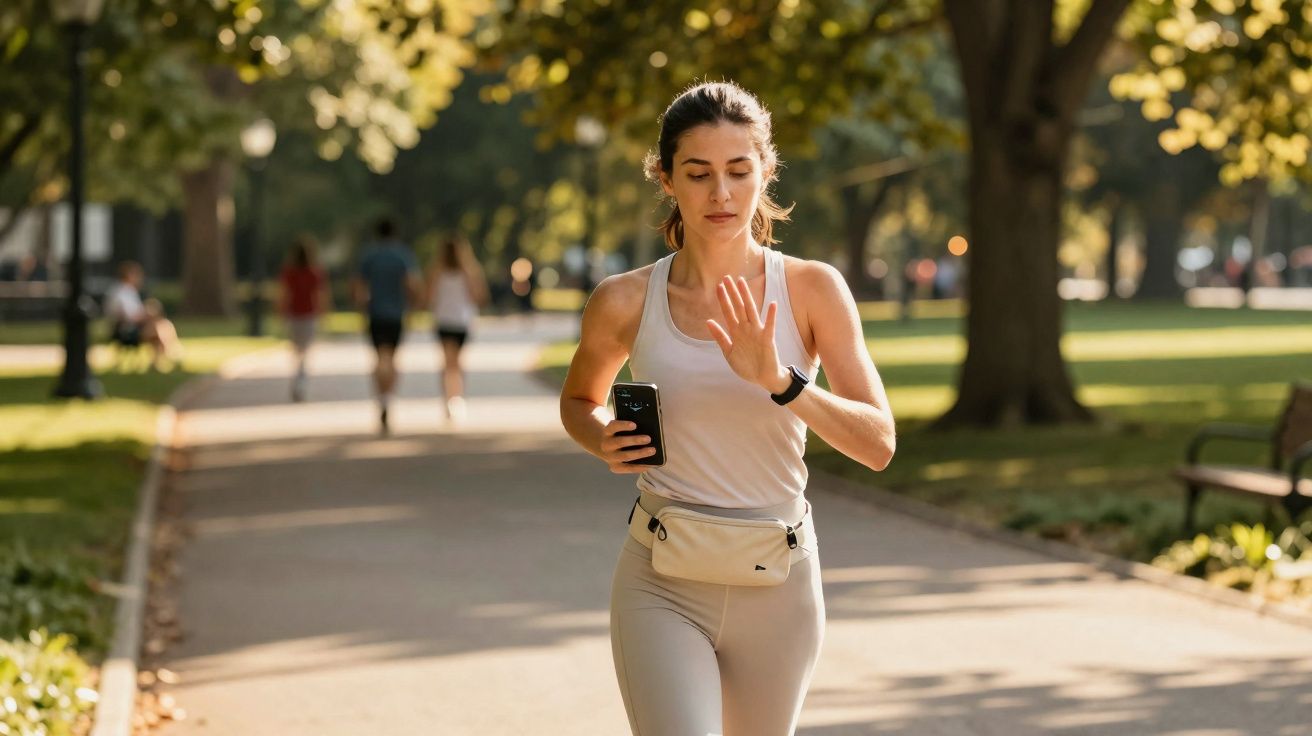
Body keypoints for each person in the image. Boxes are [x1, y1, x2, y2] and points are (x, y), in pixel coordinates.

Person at [559, 81, 896, 736]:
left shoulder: (811, 289)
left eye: (739, 171)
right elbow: (579, 400)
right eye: (699, 173)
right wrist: (600, 435)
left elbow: (878, 443)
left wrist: (782, 380)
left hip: (780, 582)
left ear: (765, 171)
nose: (721, 194)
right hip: (662, 578)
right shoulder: (625, 300)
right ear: (665, 178)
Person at [352, 218, 422, 434]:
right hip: (395, 315)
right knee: (391, 358)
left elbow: (359, 287)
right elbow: (411, 284)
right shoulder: (403, 255)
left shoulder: (369, 256)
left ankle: (381, 399)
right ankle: (388, 397)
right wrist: (413, 306)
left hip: (376, 314)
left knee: (379, 358)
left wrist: (362, 307)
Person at [426, 234, 489, 422]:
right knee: (457, 363)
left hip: (444, 320)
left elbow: (429, 297)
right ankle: (456, 397)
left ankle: (449, 399)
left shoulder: (436, 271)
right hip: (461, 322)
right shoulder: (470, 270)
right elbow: (479, 296)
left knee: (448, 362)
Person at [103, 260, 183, 370]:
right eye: (137, 275)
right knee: (159, 327)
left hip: (133, 327)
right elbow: (131, 317)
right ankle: (172, 353)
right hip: (126, 331)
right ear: (129, 275)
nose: (139, 279)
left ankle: (160, 360)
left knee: (162, 326)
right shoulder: (122, 293)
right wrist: (148, 313)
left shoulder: (128, 291)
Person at [279, 235, 330, 402]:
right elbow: (320, 296)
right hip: (309, 316)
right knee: (305, 351)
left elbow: (284, 294)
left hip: (294, 315)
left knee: (297, 350)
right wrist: (323, 313)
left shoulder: (289, 272)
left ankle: (298, 377)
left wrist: (281, 312)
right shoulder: (315, 272)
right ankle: (301, 379)